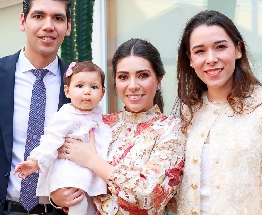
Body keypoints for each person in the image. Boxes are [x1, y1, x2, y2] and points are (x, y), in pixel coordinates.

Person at [0, 0, 72, 215]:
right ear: (23, 22)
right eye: (39, 16)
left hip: (59, 210)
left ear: (68, 26)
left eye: (58, 18)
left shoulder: (79, 81)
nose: (48, 26)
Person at [174, 10, 262, 214]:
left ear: (238, 49)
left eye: (220, 47)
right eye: (200, 51)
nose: (211, 59)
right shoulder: (190, 110)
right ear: (189, 58)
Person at [52, 38, 186, 214]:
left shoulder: (171, 130)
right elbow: (64, 166)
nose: (132, 86)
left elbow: (149, 195)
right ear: (115, 83)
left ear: (159, 80)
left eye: (143, 75)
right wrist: (57, 197)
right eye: (123, 77)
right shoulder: (100, 124)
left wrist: (93, 161)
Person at [14, 61, 112, 215]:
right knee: (78, 205)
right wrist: (35, 161)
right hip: (70, 175)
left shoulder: (99, 116)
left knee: (93, 209)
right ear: (67, 91)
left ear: (102, 93)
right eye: (80, 86)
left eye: (93, 87)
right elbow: (50, 141)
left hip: (89, 174)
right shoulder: (66, 115)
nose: (87, 91)